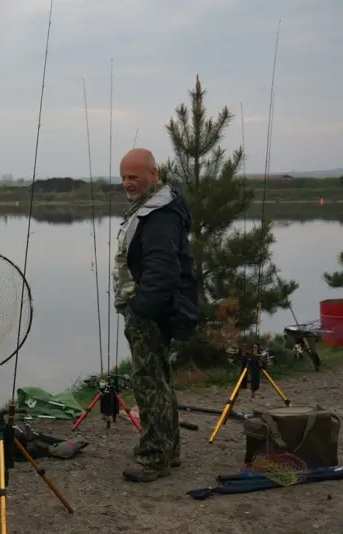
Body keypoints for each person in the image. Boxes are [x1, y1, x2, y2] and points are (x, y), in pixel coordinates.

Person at [112, 148, 199, 482]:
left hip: (148, 310)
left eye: (134, 176)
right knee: (158, 378)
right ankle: (168, 449)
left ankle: (154, 456)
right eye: (123, 177)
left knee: (148, 381)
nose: (127, 183)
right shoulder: (153, 208)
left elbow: (163, 268)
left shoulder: (160, 214)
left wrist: (141, 307)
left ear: (153, 174)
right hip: (148, 307)